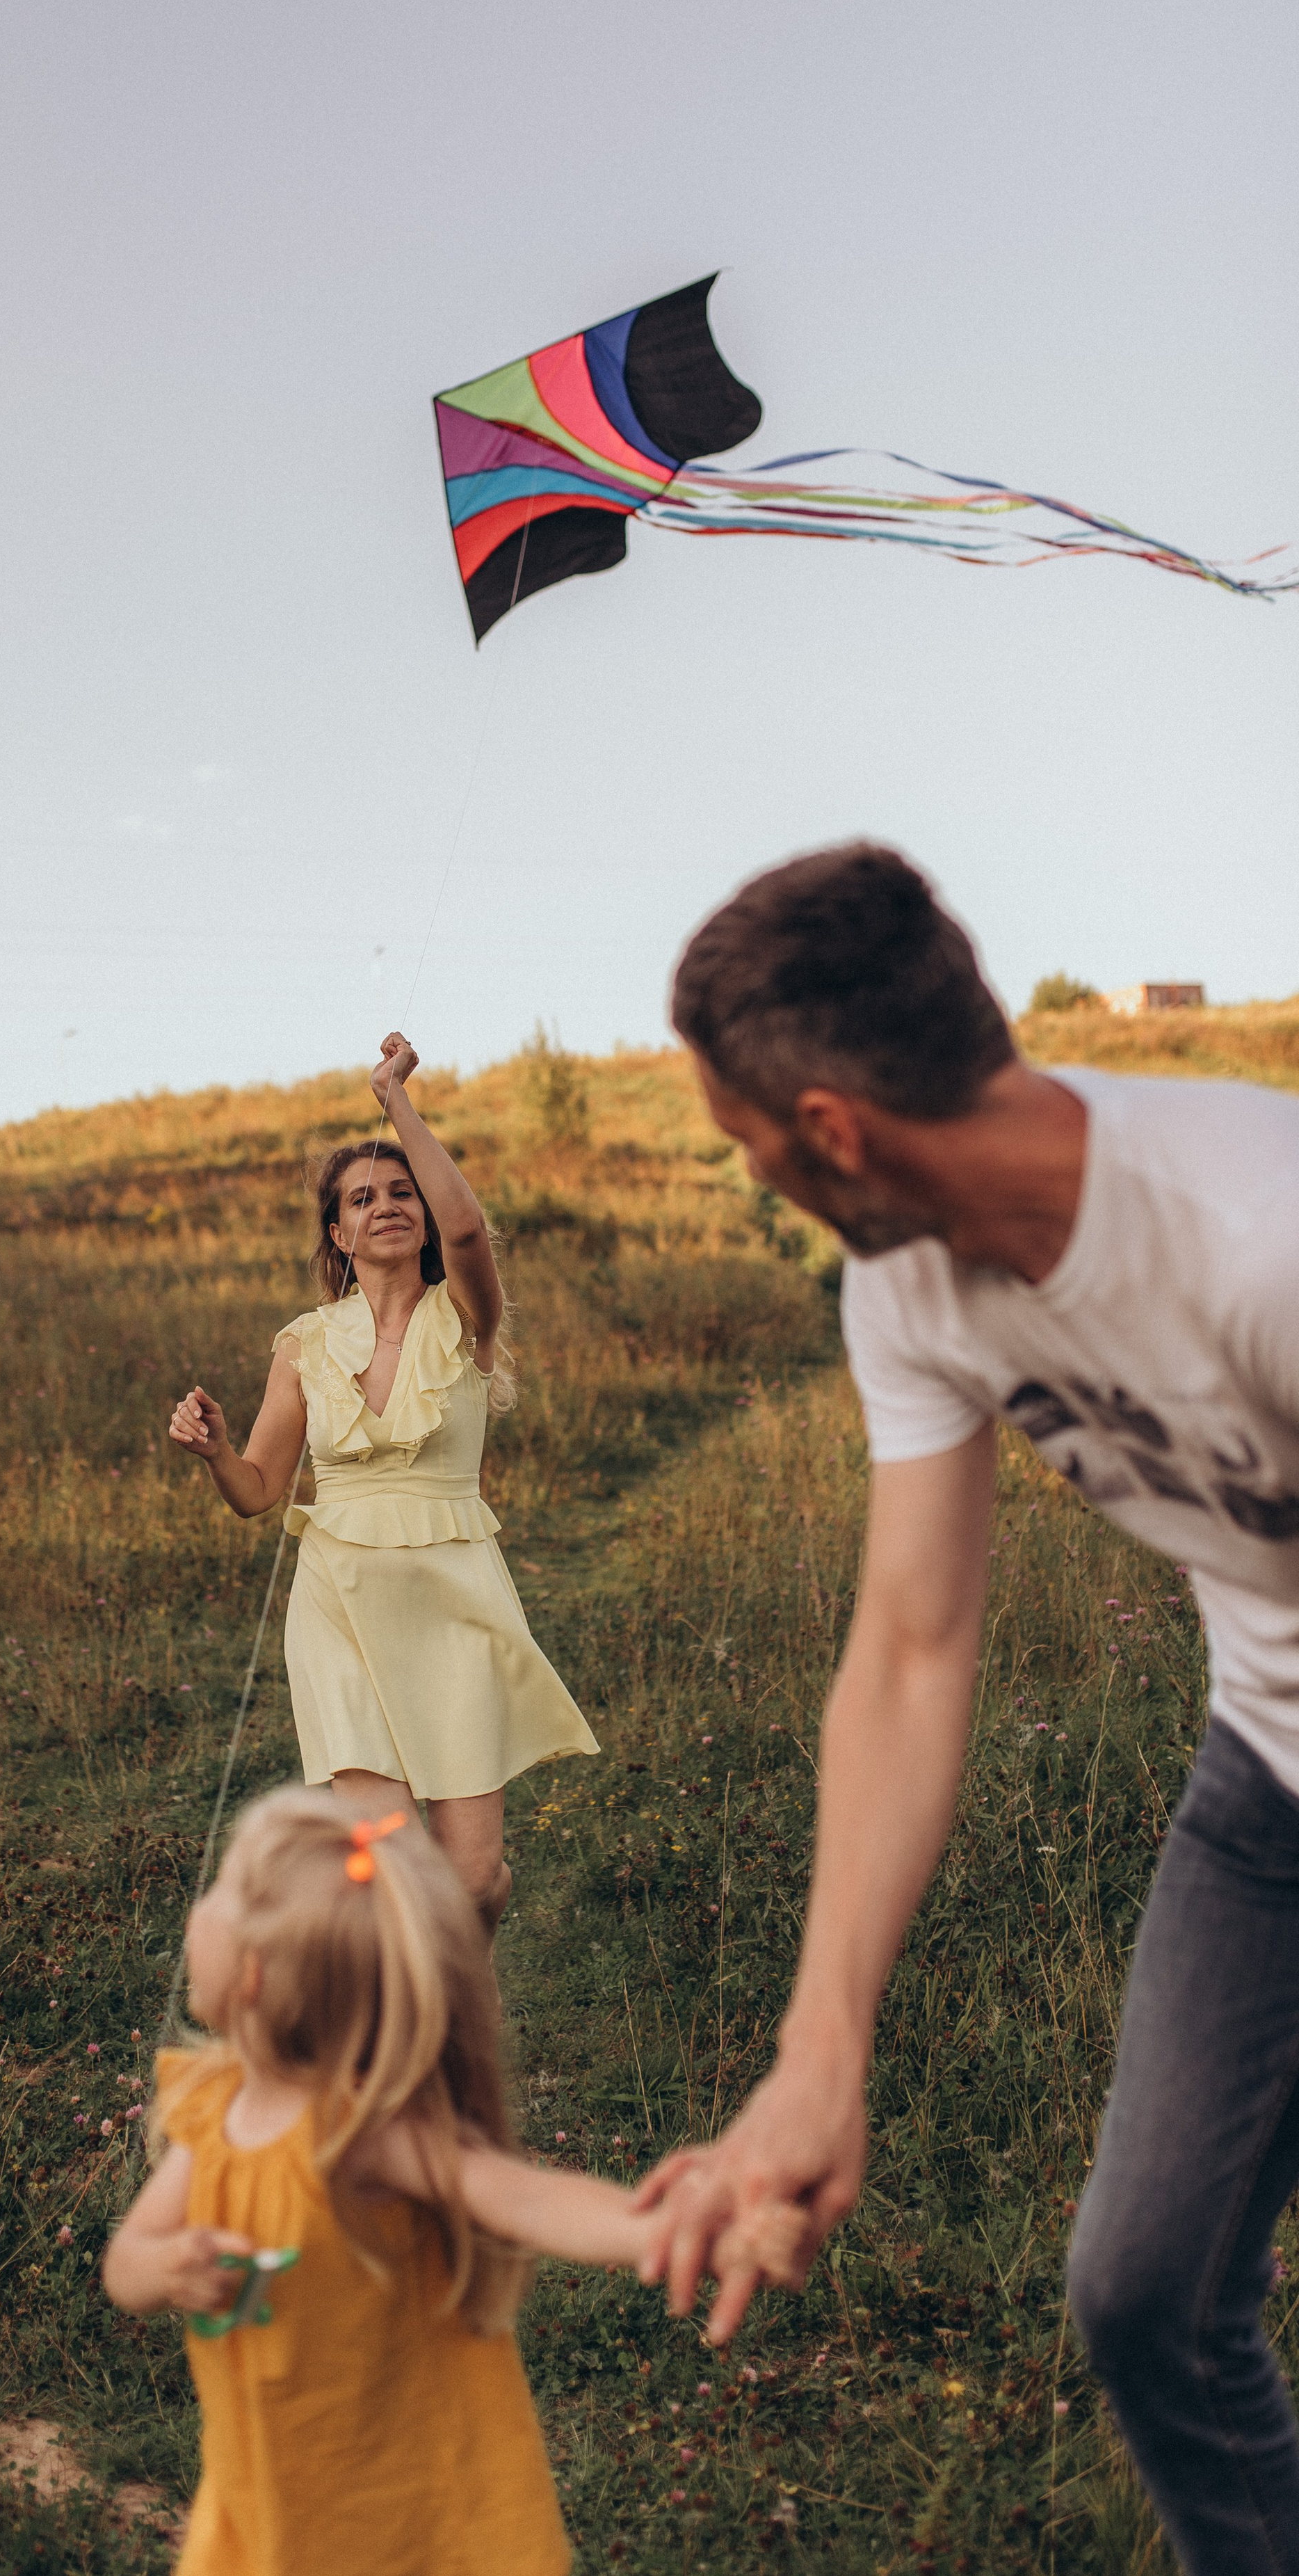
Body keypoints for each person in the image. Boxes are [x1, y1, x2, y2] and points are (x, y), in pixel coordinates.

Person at [632, 842, 1299, 2574]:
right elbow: (912, 1644)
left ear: (834, 1131)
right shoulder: (903, 1283)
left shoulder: (1258, 1235)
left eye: (746, 1144)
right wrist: (814, 2048)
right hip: (1268, 1781)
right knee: (1145, 2287)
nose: (754, 1173)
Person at [101, 1785, 807, 2575]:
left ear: (255, 1974)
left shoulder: (356, 2135)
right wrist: (166, 2268)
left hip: (401, 2511)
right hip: (267, 2500)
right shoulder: (214, 2108)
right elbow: (125, 2265)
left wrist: (672, 2231)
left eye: (219, 1891)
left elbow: (521, 2195)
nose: (197, 1909)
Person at [168, 1033, 597, 1931]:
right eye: (362, 1197)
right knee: (391, 1872)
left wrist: (396, 1101)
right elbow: (260, 1489)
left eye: (402, 1192)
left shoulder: (464, 1316)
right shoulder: (305, 1343)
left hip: (457, 1603)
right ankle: (424, 2053)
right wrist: (214, 1453)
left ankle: (457, 1993)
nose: (386, 1206)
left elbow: (471, 1228)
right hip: (341, 1610)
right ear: (337, 1231)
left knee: (473, 1882)